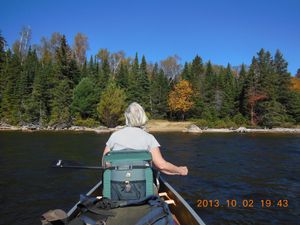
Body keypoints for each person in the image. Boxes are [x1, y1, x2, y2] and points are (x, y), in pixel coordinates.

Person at [102, 102, 188, 176]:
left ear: (126, 117)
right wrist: (180, 170)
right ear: (143, 116)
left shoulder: (114, 136)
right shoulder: (149, 138)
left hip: (116, 185)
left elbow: (105, 163)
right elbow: (161, 166)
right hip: (141, 187)